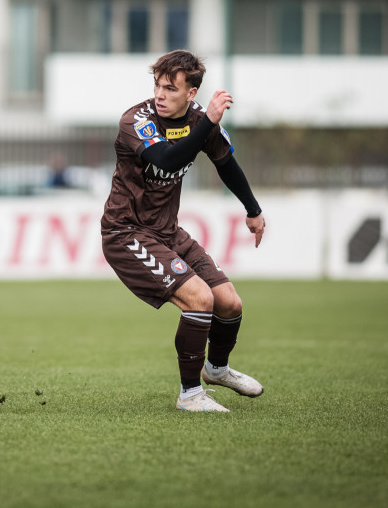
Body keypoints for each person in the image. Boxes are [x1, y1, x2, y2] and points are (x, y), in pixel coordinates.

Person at [101, 50, 267, 413]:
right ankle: (190, 394)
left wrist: (253, 210)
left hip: (167, 231)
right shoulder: (136, 120)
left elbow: (225, 162)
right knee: (199, 299)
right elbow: (166, 159)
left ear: (191, 93)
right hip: (126, 232)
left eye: (170, 89)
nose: (160, 95)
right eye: (158, 86)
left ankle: (217, 369)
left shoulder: (198, 121)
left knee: (229, 302)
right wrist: (207, 121)